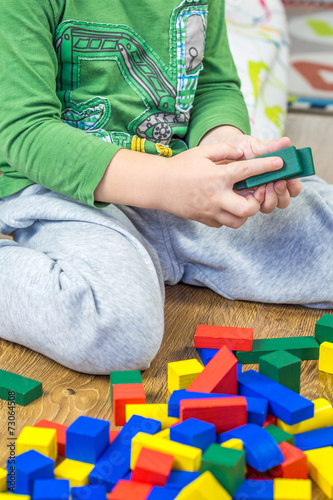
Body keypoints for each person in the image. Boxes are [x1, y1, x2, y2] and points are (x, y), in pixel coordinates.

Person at [0, 0, 332, 375]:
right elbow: (26, 131)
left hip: (180, 174)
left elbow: (212, 86)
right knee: (118, 330)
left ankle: (158, 258)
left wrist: (226, 149)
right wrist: (165, 184)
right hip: (65, 192)